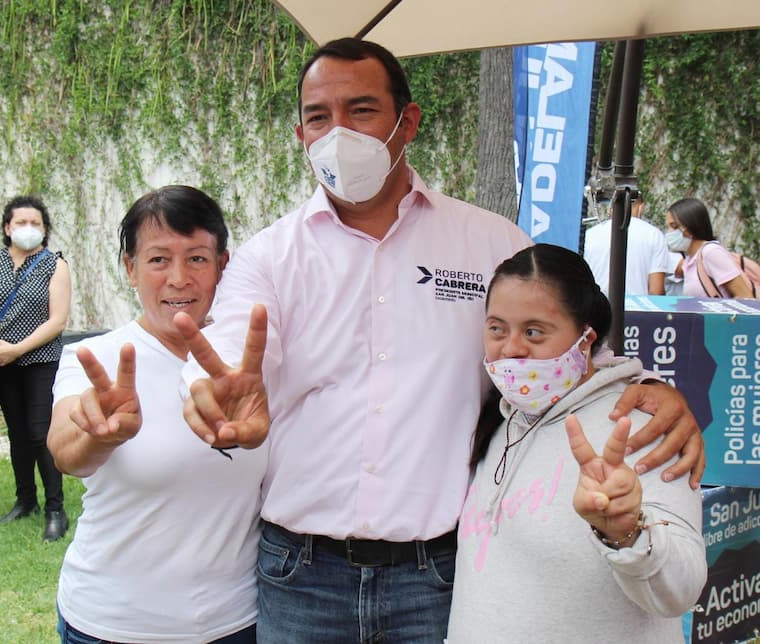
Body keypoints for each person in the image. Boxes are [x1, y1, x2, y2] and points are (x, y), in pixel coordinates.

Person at [179, 38, 704, 643]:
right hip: (301, 574)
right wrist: (208, 392)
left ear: (409, 121)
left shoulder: (490, 243)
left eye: (362, 110)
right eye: (319, 117)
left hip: (437, 577)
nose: (338, 133)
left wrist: (650, 389)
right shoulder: (269, 257)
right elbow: (223, 361)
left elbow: (571, 348)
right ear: (299, 133)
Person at [446, 244, 707, 641]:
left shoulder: (638, 428)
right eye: (497, 328)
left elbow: (682, 590)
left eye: (534, 331)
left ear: (586, 338)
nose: (512, 348)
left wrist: (626, 532)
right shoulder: (504, 417)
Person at [47, 185, 268, 643]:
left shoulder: (251, 363)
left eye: (197, 259)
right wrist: (101, 436)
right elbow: (67, 455)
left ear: (222, 266)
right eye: (158, 259)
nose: (178, 278)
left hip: (236, 622)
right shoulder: (96, 357)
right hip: (112, 624)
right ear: (131, 268)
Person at [0, 195, 71, 541]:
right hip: (0, 359)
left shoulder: (55, 265)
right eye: (21, 223)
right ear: (7, 228)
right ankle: (26, 501)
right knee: (17, 434)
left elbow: (57, 321)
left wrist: (18, 349)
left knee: (41, 434)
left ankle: (56, 509)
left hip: (41, 359)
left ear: (45, 229)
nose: (28, 229)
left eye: (35, 223)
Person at [584, 191, 670, 296]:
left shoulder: (590, 234)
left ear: (611, 209)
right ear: (641, 208)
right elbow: (656, 290)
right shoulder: (654, 235)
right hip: (637, 308)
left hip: (597, 306)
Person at [665, 196, 752, 298]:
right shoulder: (690, 260)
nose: (669, 232)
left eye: (674, 226)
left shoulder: (711, 253)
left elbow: (745, 297)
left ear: (690, 226)